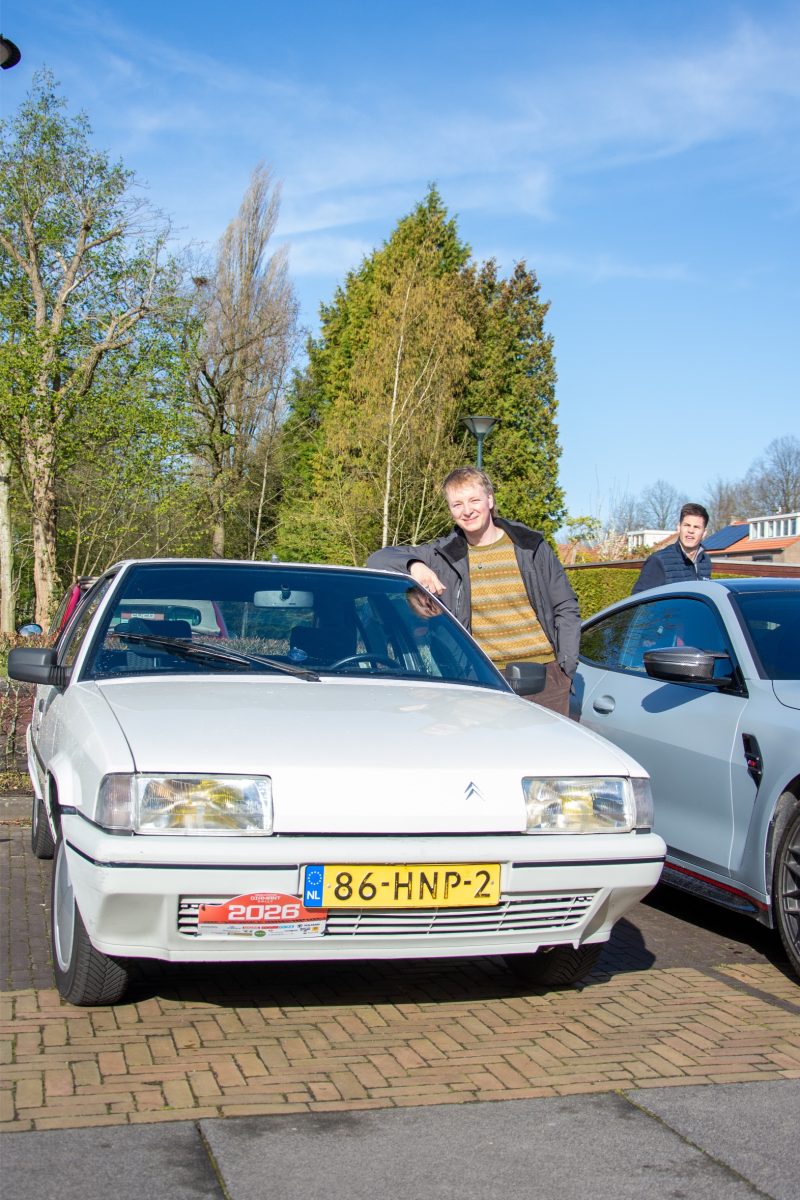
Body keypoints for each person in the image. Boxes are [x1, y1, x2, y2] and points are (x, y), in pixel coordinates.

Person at [367, 467, 580, 716]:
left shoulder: (530, 546)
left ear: (490, 499)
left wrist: (565, 668)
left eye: (474, 500)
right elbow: (377, 559)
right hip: (483, 680)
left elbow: (566, 606)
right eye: (457, 504)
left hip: (546, 680)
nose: (467, 511)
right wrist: (415, 565)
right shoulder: (443, 555)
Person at [631, 502, 711, 594]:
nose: (691, 530)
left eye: (696, 527)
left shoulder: (705, 561)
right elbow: (639, 599)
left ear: (704, 533)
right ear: (679, 527)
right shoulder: (658, 561)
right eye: (687, 525)